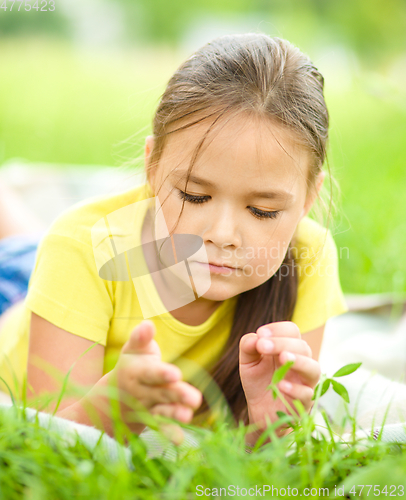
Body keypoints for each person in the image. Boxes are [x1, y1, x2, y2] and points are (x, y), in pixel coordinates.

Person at [0, 33, 348, 446]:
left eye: (262, 211)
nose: (221, 235)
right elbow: (45, 442)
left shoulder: (309, 257)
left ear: (309, 198)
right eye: (194, 196)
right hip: (19, 296)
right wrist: (111, 410)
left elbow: (261, 458)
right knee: (28, 249)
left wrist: (269, 424)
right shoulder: (78, 245)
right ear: (151, 166)